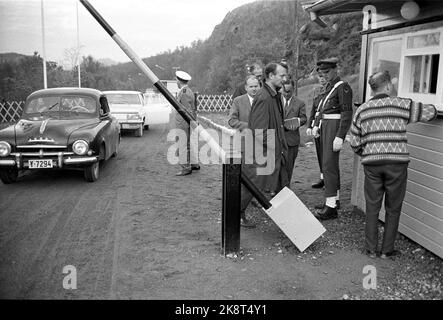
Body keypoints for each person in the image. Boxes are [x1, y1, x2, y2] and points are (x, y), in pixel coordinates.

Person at [349, 71, 437, 259]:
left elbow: (354, 140)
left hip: (372, 165)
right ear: (388, 86)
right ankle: (387, 251)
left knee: (372, 207)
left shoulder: (363, 110)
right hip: (397, 164)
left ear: (372, 89)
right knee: (393, 207)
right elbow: (430, 112)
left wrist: (366, 154)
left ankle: (370, 250)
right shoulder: (402, 105)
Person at [240, 62, 289, 228]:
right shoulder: (264, 97)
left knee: (280, 181)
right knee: (251, 185)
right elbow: (259, 130)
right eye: (281, 76)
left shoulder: (272, 95)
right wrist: (276, 147)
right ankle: (237, 214)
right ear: (270, 76)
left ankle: (287, 218)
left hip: (268, 150)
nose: (285, 79)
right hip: (259, 152)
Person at [311, 58, 353, 220]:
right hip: (326, 126)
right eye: (322, 73)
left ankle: (331, 207)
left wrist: (340, 136)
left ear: (336, 69)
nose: (325, 75)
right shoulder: (329, 88)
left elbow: (346, 113)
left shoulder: (343, 88)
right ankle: (332, 200)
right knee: (328, 165)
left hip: (334, 128)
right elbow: (321, 109)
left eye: (327, 72)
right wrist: (317, 125)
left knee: (329, 165)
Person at [281, 79, 306, 185]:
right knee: (276, 165)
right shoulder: (275, 101)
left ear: (293, 90)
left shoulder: (300, 103)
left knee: (288, 166)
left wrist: (296, 122)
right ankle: (276, 188)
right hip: (277, 139)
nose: (286, 94)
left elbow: (304, 118)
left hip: (291, 140)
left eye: (289, 91)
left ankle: (286, 188)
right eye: (284, 91)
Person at [174, 70, 198, 176]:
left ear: (179, 81)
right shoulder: (187, 91)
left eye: (176, 80)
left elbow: (186, 111)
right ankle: (192, 164)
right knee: (186, 144)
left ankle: (185, 167)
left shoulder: (184, 93)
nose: (176, 82)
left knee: (182, 144)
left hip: (183, 123)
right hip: (185, 123)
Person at [306, 74, 327, 189]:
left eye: (324, 76)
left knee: (326, 154)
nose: (322, 79)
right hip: (317, 127)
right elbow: (312, 113)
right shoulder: (317, 98)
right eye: (320, 77)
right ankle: (322, 177)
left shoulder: (330, 95)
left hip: (327, 127)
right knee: (319, 153)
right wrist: (310, 126)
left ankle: (328, 179)